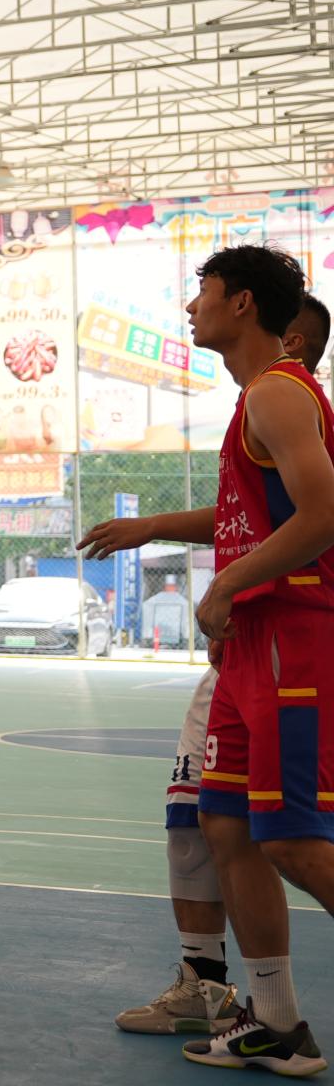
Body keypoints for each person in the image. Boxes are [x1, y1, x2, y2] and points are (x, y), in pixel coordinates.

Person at [84, 284, 333, 1056]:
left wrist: (225, 585)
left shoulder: (280, 394)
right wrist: (159, 529)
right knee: (219, 821)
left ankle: (230, 994)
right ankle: (274, 1021)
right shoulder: (253, 403)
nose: (192, 308)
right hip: (248, 643)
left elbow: (324, 515)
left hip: (289, 636)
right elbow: (242, 519)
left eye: (205, 294)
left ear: (246, 306)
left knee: (291, 841)